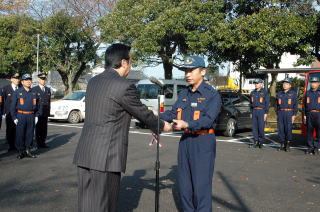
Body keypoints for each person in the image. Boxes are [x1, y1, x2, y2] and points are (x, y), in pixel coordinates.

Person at [73, 43, 171, 212]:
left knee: (87, 205)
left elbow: (111, 109)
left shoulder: (93, 82)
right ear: (124, 62)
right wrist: (162, 125)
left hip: (86, 153)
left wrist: (145, 112)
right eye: (130, 61)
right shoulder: (124, 85)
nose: (131, 65)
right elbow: (140, 113)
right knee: (104, 206)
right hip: (106, 157)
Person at [160, 55, 222, 212]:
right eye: (185, 70)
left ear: (202, 71)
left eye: (191, 70)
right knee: (185, 187)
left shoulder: (212, 94)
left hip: (203, 142)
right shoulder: (184, 93)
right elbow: (173, 113)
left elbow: (208, 120)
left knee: (201, 188)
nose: (187, 74)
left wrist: (187, 124)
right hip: (185, 141)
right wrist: (154, 115)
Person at [10, 74, 40, 159]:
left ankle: (28, 150)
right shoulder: (17, 92)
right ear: (22, 82)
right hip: (21, 116)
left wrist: (37, 115)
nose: (28, 81)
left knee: (29, 134)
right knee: (20, 134)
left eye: (30, 80)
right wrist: (14, 117)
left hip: (31, 115)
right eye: (26, 80)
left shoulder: (34, 92)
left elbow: (38, 105)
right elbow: (12, 107)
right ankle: (21, 151)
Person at [276, 78, 298, 152]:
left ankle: (287, 144)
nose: (284, 85)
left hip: (289, 113)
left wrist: (294, 115)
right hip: (281, 113)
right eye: (283, 83)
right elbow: (276, 105)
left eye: (286, 84)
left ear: (290, 85)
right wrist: (277, 113)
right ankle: (282, 144)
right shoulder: (279, 93)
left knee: (288, 129)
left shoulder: (293, 94)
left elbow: (295, 105)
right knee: (281, 129)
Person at [1, 73, 20, 152]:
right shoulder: (5, 89)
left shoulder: (21, 88)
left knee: (18, 129)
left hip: (19, 112)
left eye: (18, 78)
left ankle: (17, 144)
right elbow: (2, 102)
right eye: (15, 78)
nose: (17, 80)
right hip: (9, 113)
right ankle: (11, 145)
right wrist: (3, 112)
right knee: (10, 129)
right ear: (11, 79)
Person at [249, 78, 270, 148]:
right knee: (254, 127)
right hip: (254, 111)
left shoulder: (265, 92)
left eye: (257, 83)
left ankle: (261, 142)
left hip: (261, 111)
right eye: (255, 83)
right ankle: (255, 141)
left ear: (261, 84)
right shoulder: (252, 93)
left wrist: (266, 113)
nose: (256, 84)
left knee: (261, 127)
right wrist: (251, 112)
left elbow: (267, 103)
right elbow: (250, 104)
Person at [33, 73, 51, 148]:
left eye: (44, 79)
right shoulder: (34, 89)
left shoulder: (47, 89)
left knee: (44, 128)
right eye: (42, 79)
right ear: (38, 80)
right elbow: (34, 102)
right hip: (38, 112)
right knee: (38, 128)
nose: (43, 81)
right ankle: (38, 143)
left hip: (45, 112)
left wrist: (49, 111)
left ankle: (43, 142)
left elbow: (49, 101)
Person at [304, 76, 320, 155]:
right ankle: (310, 147)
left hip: (318, 114)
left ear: (318, 83)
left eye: (315, 82)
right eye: (312, 83)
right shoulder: (308, 93)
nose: (313, 84)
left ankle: (316, 147)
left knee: (318, 132)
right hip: (309, 114)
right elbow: (304, 105)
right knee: (309, 132)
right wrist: (304, 114)